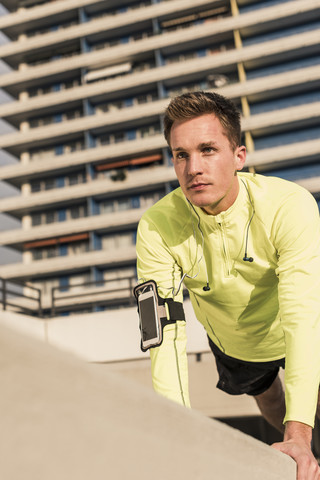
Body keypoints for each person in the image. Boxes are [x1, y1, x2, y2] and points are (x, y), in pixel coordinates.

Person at [135, 91, 320, 480]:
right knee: (269, 397)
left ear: (239, 156)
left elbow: (303, 316)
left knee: (311, 404)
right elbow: (163, 333)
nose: (193, 167)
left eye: (207, 150)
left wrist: (300, 432)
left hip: (295, 325)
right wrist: (176, 432)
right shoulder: (157, 227)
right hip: (238, 340)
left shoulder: (290, 205)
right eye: (181, 154)